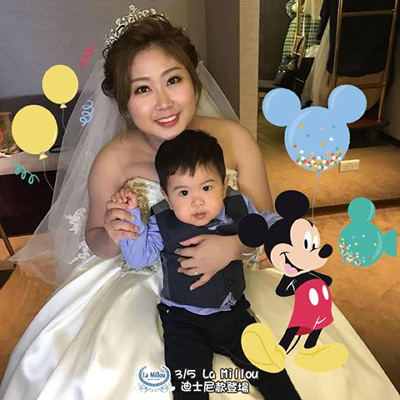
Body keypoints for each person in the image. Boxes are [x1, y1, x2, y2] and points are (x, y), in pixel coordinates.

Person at [2, 7, 399, 400]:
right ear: (123, 103)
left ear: (194, 82)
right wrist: (111, 233)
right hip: (141, 283)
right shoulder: (113, 160)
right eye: (142, 89)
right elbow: (96, 241)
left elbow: (269, 228)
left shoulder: (234, 139)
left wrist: (232, 246)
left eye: (173, 80)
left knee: (292, 365)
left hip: (237, 281)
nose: (163, 102)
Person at [114, 129, 294, 399]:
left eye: (207, 188)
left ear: (224, 183)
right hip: (183, 319)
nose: (197, 201)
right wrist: (131, 217)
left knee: (271, 369)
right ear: (166, 195)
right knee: (189, 385)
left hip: (233, 311)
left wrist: (282, 229)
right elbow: (139, 257)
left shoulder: (238, 205)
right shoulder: (162, 220)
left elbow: (263, 222)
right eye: (183, 192)